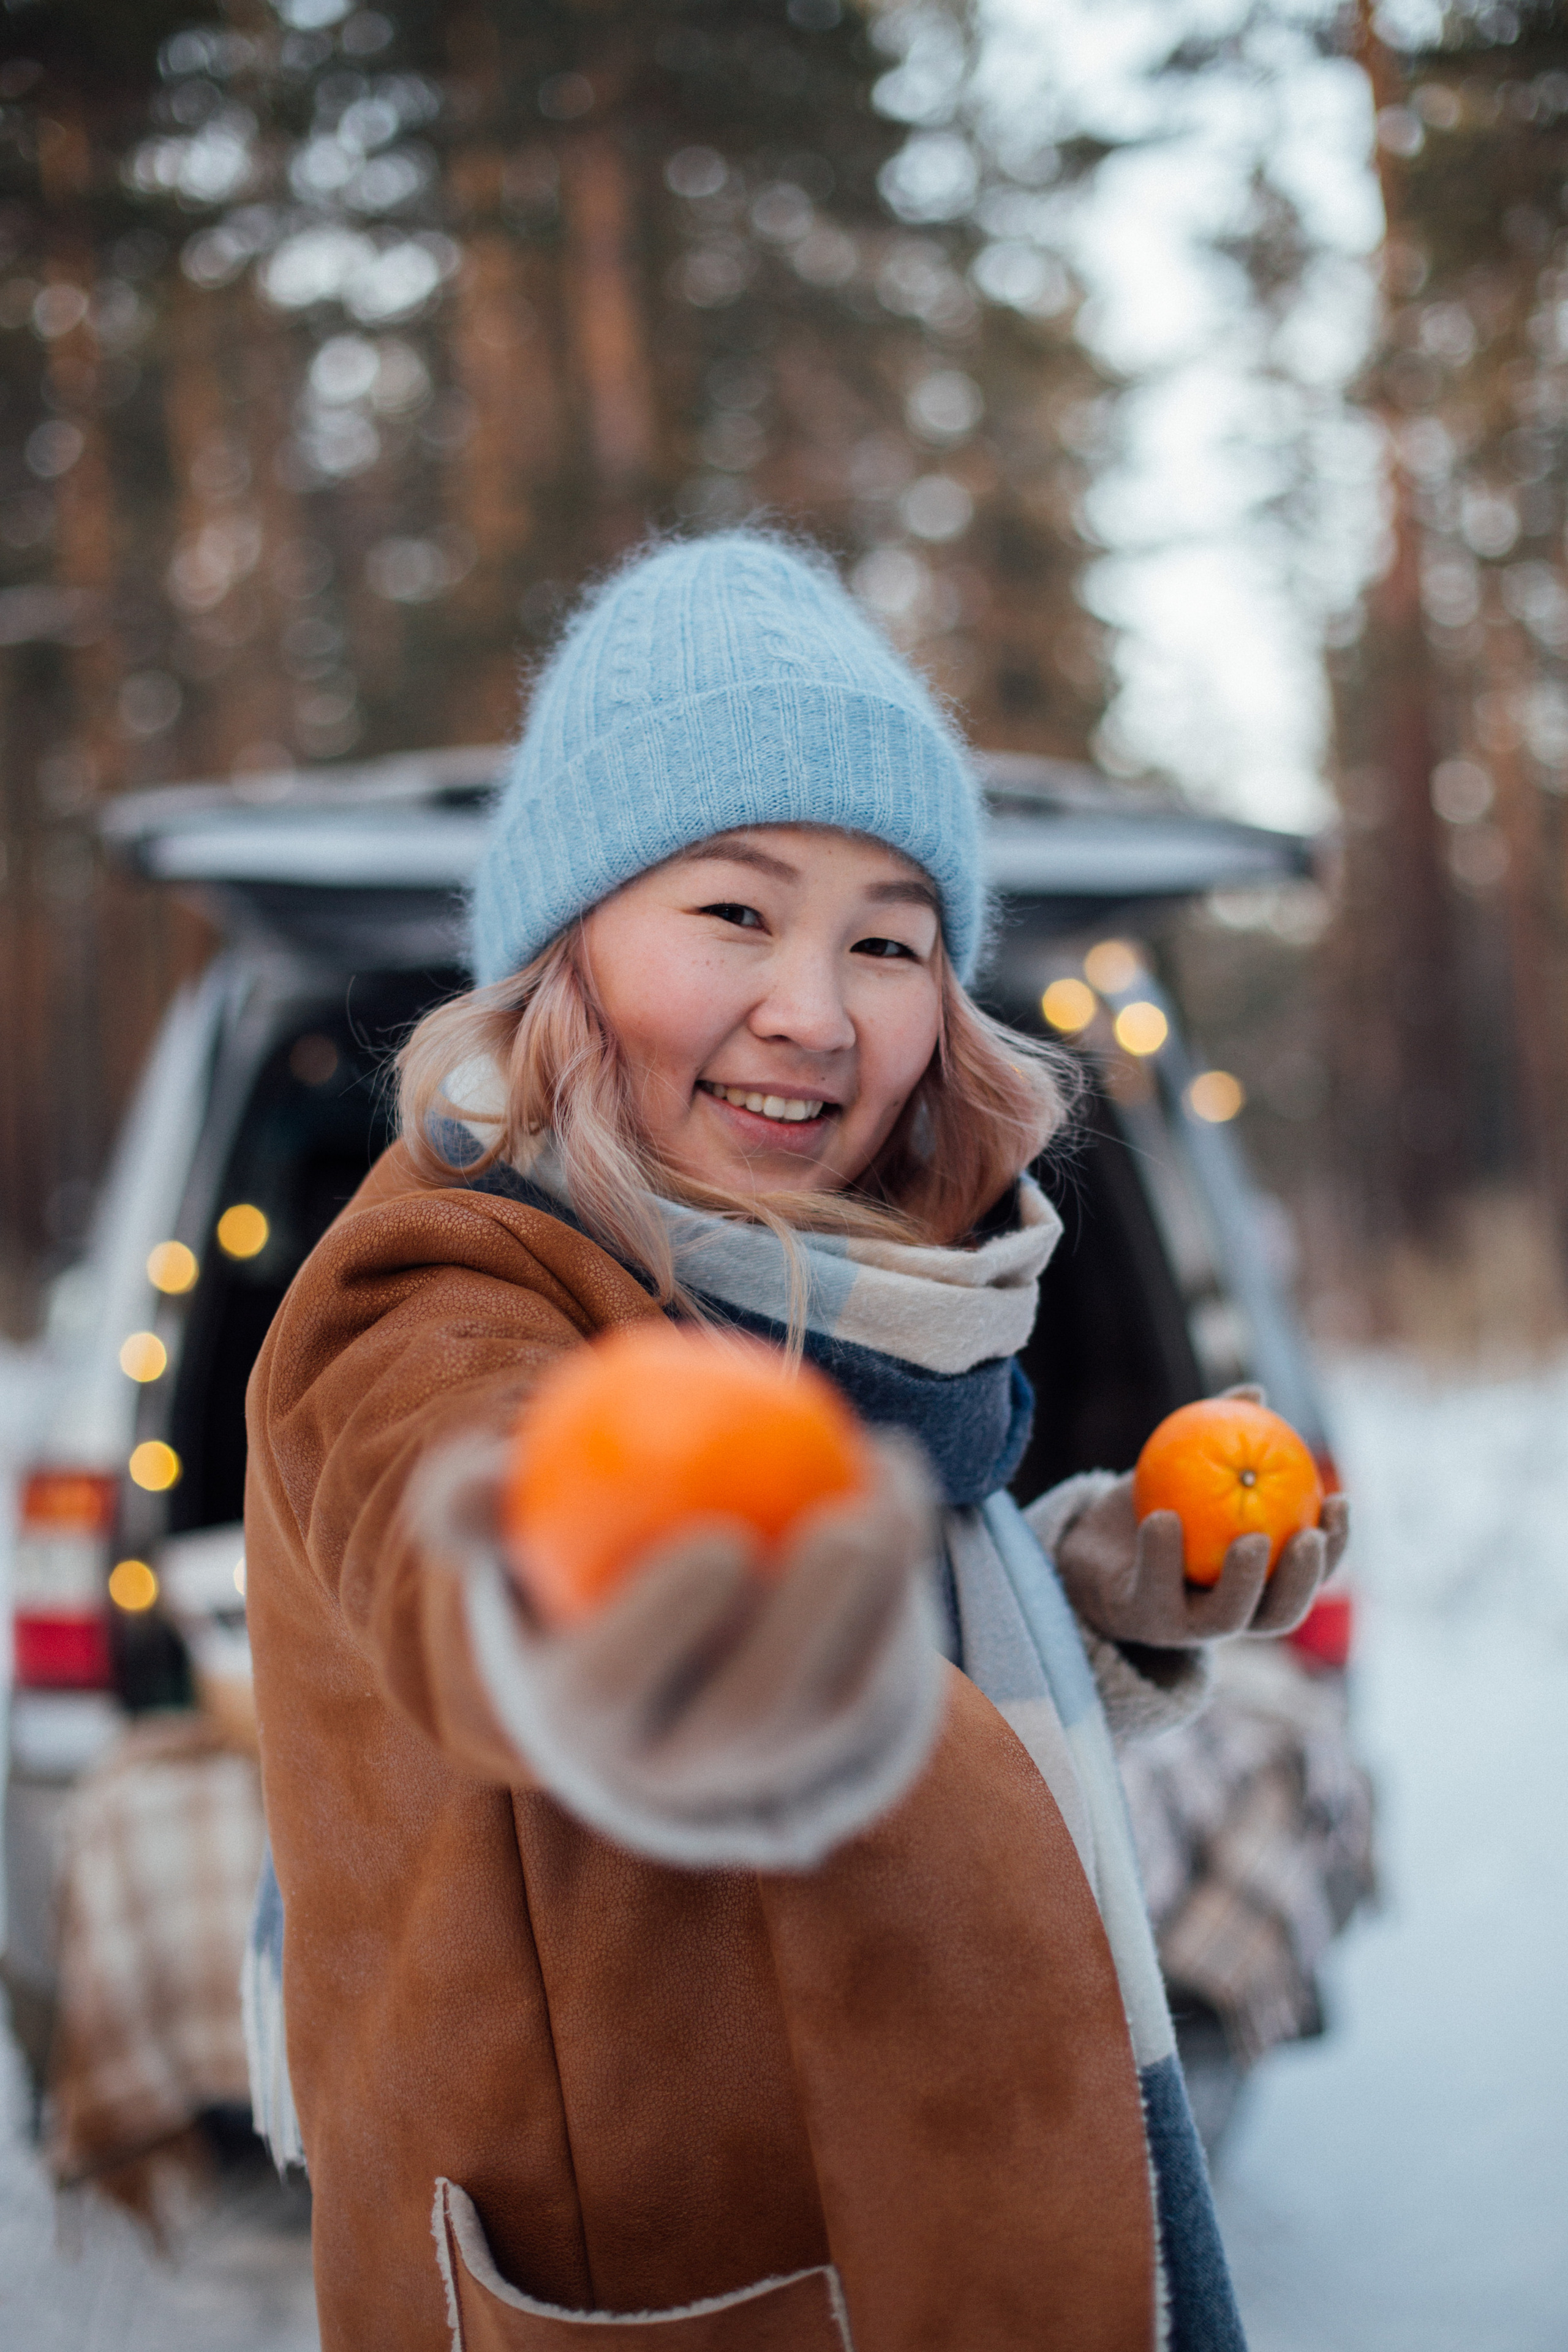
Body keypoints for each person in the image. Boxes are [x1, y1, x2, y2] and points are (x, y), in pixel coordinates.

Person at [243, 532, 1345, 2352]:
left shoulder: (883, 1322)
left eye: (888, 942)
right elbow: (478, 1532)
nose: (817, 1014)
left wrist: (1082, 1600)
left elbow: (878, 1680)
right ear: (566, 944)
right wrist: (632, 1575)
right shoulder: (437, 1285)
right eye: (736, 913)